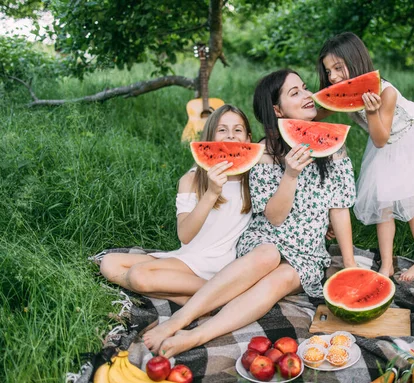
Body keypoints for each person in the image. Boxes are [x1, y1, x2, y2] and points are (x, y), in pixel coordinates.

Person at [142, 69, 357, 357]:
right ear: (277, 110)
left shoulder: (335, 148)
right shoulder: (265, 152)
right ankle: (180, 320)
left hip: (308, 253)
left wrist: (350, 264)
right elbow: (275, 217)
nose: (307, 95)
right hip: (264, 238)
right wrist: (290, 175)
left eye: (304, 88)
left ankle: (196, 336)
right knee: (268, 254)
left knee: (280, 279)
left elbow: (339, 210)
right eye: (295, 93)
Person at [316, 32, 414, 281]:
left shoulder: (385, 93)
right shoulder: (343, 92)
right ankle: (387, 265)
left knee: (410, 204)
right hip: (386, 144)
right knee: (384, 206)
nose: (333, 76)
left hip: (408, 141)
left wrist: (370, 112)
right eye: (328, 71)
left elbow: (380, 138)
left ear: (356, 61)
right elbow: (319, 111)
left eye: (338, 68)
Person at [100, 105, 253, 305]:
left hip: (218, 265)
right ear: (208, 139)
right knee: (109, 263)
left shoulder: (253, 180)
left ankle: (215, 291)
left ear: (249, 139)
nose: (231, 136)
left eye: (238, 130)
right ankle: (204, 299)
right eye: (222, 130)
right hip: (188, 257)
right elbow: (185, 235)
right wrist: (212, 193)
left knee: (139, 276)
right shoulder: (191, 180)